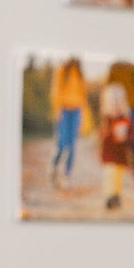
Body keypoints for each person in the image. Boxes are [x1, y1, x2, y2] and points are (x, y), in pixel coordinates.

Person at [49, 57, 88, 188]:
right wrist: (58, 109)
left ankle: (67, 175)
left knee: (72, 145)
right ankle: (54, 167)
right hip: (64, 109)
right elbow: (56, 90)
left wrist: (82, 114)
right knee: (62, 143)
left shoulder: (80, 72)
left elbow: (83, 94)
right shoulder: (62, 69)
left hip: (76, 110)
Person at [97, 82, 134, 212]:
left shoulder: (126, 120)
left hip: (120, 155)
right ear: (107, 105)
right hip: (108, 154)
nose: (115, 107)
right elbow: (101, 134)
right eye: (112, 104)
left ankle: (116, 195)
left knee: (118, 176)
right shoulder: (106, 120)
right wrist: (106, 132)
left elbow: (131, 133)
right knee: (109, 175)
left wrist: (126, 137)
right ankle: (109, 196)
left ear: (123, 104)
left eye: (118, 104)